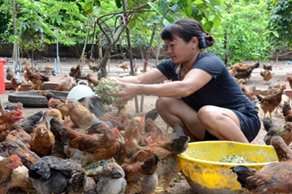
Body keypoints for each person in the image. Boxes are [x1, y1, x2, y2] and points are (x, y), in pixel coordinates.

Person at [111, 18, 260, 143]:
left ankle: (249, 155)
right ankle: (197, 147)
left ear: (194, 42)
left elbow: (185, 87)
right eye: (167, 46)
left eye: (173, 45)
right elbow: (139, 79)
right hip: (207, 125)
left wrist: (138, 90)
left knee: (206, 113)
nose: (169, 50)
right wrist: (111, 82)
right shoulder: (174, 65)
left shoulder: (209, 61)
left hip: (241, 121)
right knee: (164, 102)